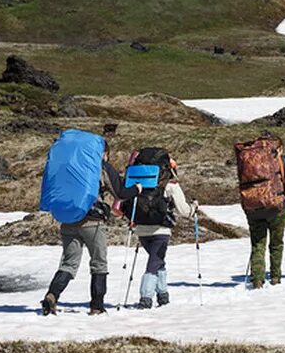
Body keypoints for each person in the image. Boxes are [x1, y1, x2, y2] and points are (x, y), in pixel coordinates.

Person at [41, 124, 141, 316]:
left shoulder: (68, 167)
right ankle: (96, 306)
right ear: (103, 152)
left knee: (68, 264)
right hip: (93, 223)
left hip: (68, 220)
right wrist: (137, 189)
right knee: (99, 264)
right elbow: (120, 192)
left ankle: (52, 295)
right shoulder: (99, 167)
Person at [131, 151, 196, 309]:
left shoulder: (139, 182)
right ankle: (146, 297)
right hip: (161, 230)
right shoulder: (171, 185)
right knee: (154, 262)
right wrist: (194, 207)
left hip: (141, 229)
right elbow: (184, 210)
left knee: (157, 260)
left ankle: (163, 295)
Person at [237, 134, 285, 289]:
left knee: (257, 244)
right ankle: (275, 277)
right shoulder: (281, 161)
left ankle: (258, 280)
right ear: (277, 148)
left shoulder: (247, 161)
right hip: (275, 207)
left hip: (252, 206)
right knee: (276, 244)